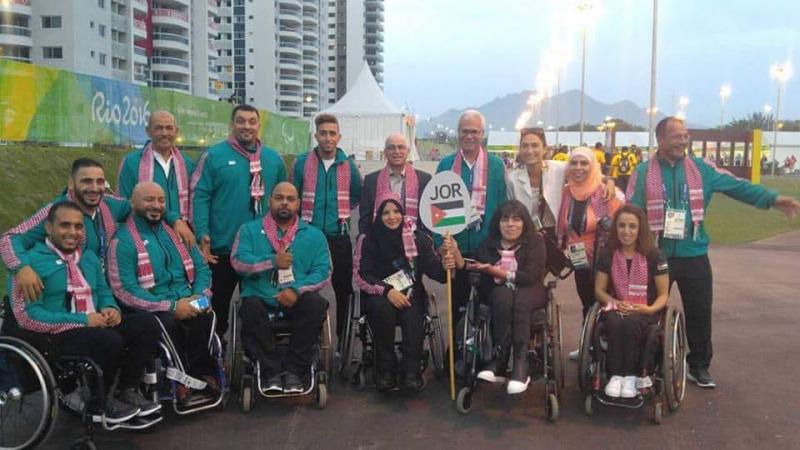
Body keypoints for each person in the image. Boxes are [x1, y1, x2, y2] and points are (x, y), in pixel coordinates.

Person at [627, 116, 800, 388]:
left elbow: (738, 187)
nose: (683, 140)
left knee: (699, 312)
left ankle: (698, 366)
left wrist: (774, 200)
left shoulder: (701, 169)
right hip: (655, 256)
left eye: (685, 135)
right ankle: (648, 363)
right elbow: (632, 211)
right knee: (648, 311)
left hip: (693, 254)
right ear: (660, 139)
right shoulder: (643, 171)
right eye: (676, 136)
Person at [7, 201, 161, 423]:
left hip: (94, 323)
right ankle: (98, 402)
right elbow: (28, 317)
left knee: (147, 324)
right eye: (65, 226)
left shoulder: (88, 257)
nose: (72, 232)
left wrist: (110, 308)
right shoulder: (30, 264)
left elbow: (103, 291)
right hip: (55, 335)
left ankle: (126, 389)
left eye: (78, 227)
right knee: (109, 339)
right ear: (48, 228)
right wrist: (83, 320)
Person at [1, 158, 193, 302]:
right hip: (64, 296)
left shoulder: (110, 205)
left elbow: (144, 206)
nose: (94, 188)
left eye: (100, 182)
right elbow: (9, 239)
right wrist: (22, 267)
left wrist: (175, 220)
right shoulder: (57, 211)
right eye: (86, 181)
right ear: (71, 183)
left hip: (102, 292)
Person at [106, 182, 217, 403]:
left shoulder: (179, 232)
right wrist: (172, 306)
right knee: (168, 322)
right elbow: (125, 291)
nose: (156, 205)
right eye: (149, 200)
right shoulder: (123, 241)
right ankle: (181, 378)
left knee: (205, 313)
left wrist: (199, 295)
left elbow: (202, 269)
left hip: (189, 297)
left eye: (161, 200)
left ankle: (203, 373)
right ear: (133, 203)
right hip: (155, 307)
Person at [191, 104, 287, 336]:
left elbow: (284, 200)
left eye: (252, 121)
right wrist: (202, 234)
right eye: (241, 121)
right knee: (214, 307)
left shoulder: (273, 159)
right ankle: (212, 353)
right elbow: (199, 195)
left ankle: (254, 355)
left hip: (261, 251)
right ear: (232, 125)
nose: (247, 126)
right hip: (221, 248)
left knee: (259, 308)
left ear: (258, 125)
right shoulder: (214, 156)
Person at [231, 182, 331, 393]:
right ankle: (271, 371)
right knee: (249, 308)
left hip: (297, 299)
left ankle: (295, 370)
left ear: (298, 204)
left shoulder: (314, 235)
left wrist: (296, 290)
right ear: (270, 200)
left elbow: (323, 271)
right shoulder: (248, 230)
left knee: (316, 304)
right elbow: (238, 262)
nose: (284, 202)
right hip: (261, 297)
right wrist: (272, 261)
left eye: (290, 199)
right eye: (279, 197)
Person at [448, 200, 547, 395]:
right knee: (502, 296)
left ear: (524, 222)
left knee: (520, 300)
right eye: (505, 219)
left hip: (530, 290)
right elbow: (473, 270)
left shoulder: (535, 241)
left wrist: (498, 272)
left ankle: (520, 363)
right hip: (500, 294)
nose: (510, 224)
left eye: (516, 219)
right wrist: (457, 256)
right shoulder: (488, 244)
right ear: (498, 223)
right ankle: (499, 358)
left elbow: (530, 276)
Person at [353, 194, 448, 392]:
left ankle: (411, 371)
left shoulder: (418, 239)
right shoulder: (368, 240)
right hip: (379, 293)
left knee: (413, 314)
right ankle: (385, 370)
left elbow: (438, 273)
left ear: (403, 213)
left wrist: (449, 262)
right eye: (386, 212)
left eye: (396, 211)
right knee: (383, 310)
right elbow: (361, 275)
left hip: (411, 292)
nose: (392, 216)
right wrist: (387, 291)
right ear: (378, 215)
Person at [293, 113, 361, 343]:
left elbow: (356, 195)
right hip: (307, 236)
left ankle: (343, 340)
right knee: (305, 288)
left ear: (339, 136)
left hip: (338, 236)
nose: (328, 138)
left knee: (343, 289)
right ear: (316, 135)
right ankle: (307, 338)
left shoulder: (348, 166)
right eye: (323, 133)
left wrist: (338, 214)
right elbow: (294, 194)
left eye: (332, 133)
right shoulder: (302, 163)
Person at [436, 110, 507, 320]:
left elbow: (503, 206)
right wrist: (441, 243)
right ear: (458, 133)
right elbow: (436, 209)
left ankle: (488, 348)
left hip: (487, 247)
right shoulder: (445, 165)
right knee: (457, 304)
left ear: (482, 134)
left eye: (474, 132)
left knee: (488, 303)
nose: (469, 136)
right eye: (465, 131)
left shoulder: (496, 165)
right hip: (456, 246)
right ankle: (457, 348)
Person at [594, 205, 669, 398]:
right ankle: (615, 375)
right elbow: (599, 290)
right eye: (621, 226)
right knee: (614, 321)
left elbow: (663, 295)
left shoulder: (654, 255)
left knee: (632, 322)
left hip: (645, 309)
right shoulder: (608, 253)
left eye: (632, 226)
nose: (626, 231)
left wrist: (649, 308)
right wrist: (615, 302)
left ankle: (632, 376)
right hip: (616, 305)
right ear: (615, 228)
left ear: (640, 229)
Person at [558, 147, 623, 359]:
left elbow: (622, 226)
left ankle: (610, 346)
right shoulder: (566, 191)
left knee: (606, 302)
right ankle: (590, 344)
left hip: (604, 259)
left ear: (593, 166)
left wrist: (608, 180)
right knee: (587, 302)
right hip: (579, 258)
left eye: (584, 163)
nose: (578, 168)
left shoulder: (605, 192)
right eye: (574, 163)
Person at [117, 111, 195, 221]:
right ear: (148, 131)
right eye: (158, 128)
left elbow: (195, 201)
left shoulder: (188, 164)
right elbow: (123, 204)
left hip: (182, 232)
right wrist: (172, 219)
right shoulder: (131, 162)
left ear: (176, 132)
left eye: (169, 128)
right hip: (144, 232)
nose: (164, 133)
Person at [359, 133, 431, 235]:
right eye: (391, 148)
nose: (396, 151)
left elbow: (429, 216)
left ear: (408, 151)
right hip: (380, 243)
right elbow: (365, 219)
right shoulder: (371, 180)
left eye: (401, 147)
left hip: (415, 241)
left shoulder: (424, 179)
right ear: (385, 152)